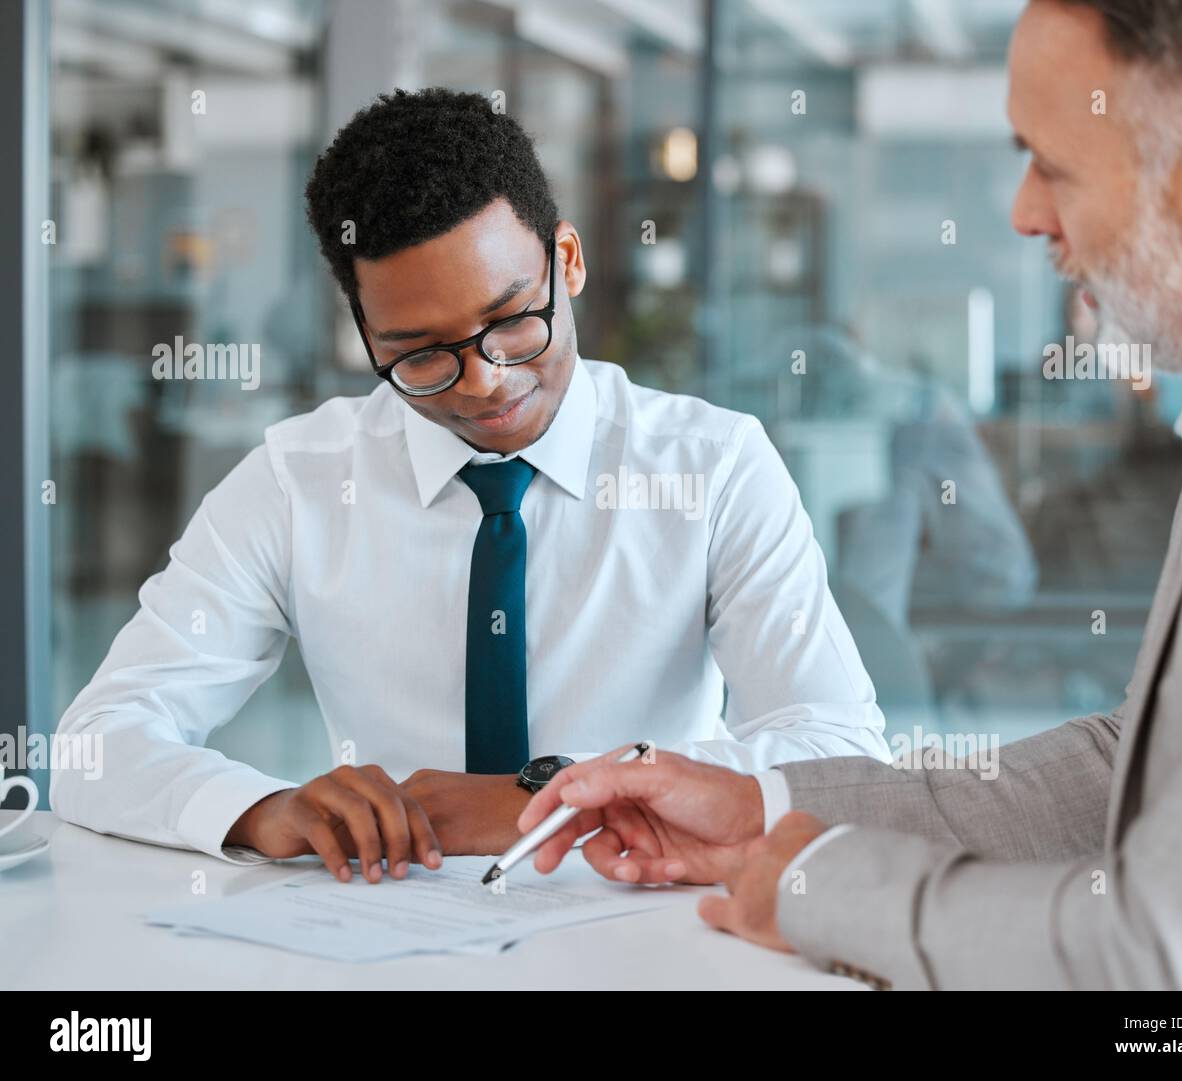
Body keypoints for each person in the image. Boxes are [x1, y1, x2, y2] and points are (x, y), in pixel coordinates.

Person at [519, 0, 1182, 990]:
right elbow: (1133, 768)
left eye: (1051, 167)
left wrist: (816, 883)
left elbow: (1164, 953)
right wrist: (765, 808)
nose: (1024, 213)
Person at [51, 89, 889, 883]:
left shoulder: (712, 467)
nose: (484, 382)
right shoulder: (296, 482)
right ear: (367, 335)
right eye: (420, 353)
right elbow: (96, 743)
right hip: (382, 939)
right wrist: (260, 810)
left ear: (566, 260)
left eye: (514, 320)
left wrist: (541, 795)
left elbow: (842, 752)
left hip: (643, 925)